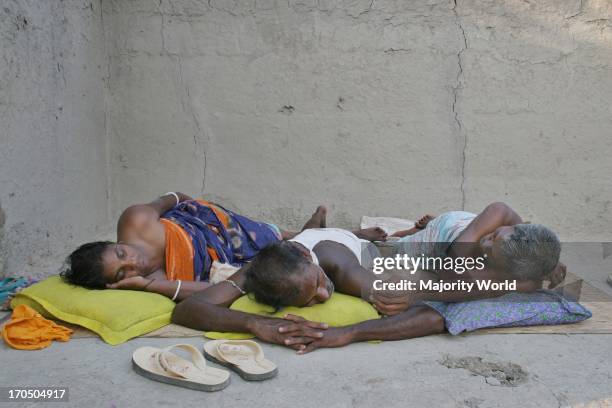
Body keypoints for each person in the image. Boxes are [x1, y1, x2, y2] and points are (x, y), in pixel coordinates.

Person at [171, 202, 565, 353]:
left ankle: (333, 227)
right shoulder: (261, 267)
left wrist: (411, 292)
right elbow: (188, 310)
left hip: (363, 247)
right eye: (312, 298)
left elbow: (436, 295)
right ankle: (320, 223)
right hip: (434, 241)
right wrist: (257, 323)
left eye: (321, 286)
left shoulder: (336, 261)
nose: (325, 298)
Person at [61, 192, 386, 301]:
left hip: (217, 226)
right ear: (116, 281)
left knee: (266, 236)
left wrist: (200, 207)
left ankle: (316, 231)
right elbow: (209, 288)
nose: (133, 261)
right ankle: (334, 232)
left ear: (115, 242)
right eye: (123, 270)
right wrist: (147, 285)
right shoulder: (153, 278)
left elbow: (171, 199)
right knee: (274, 263)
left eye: (121, 252)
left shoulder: (135, 221)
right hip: (226, 261)